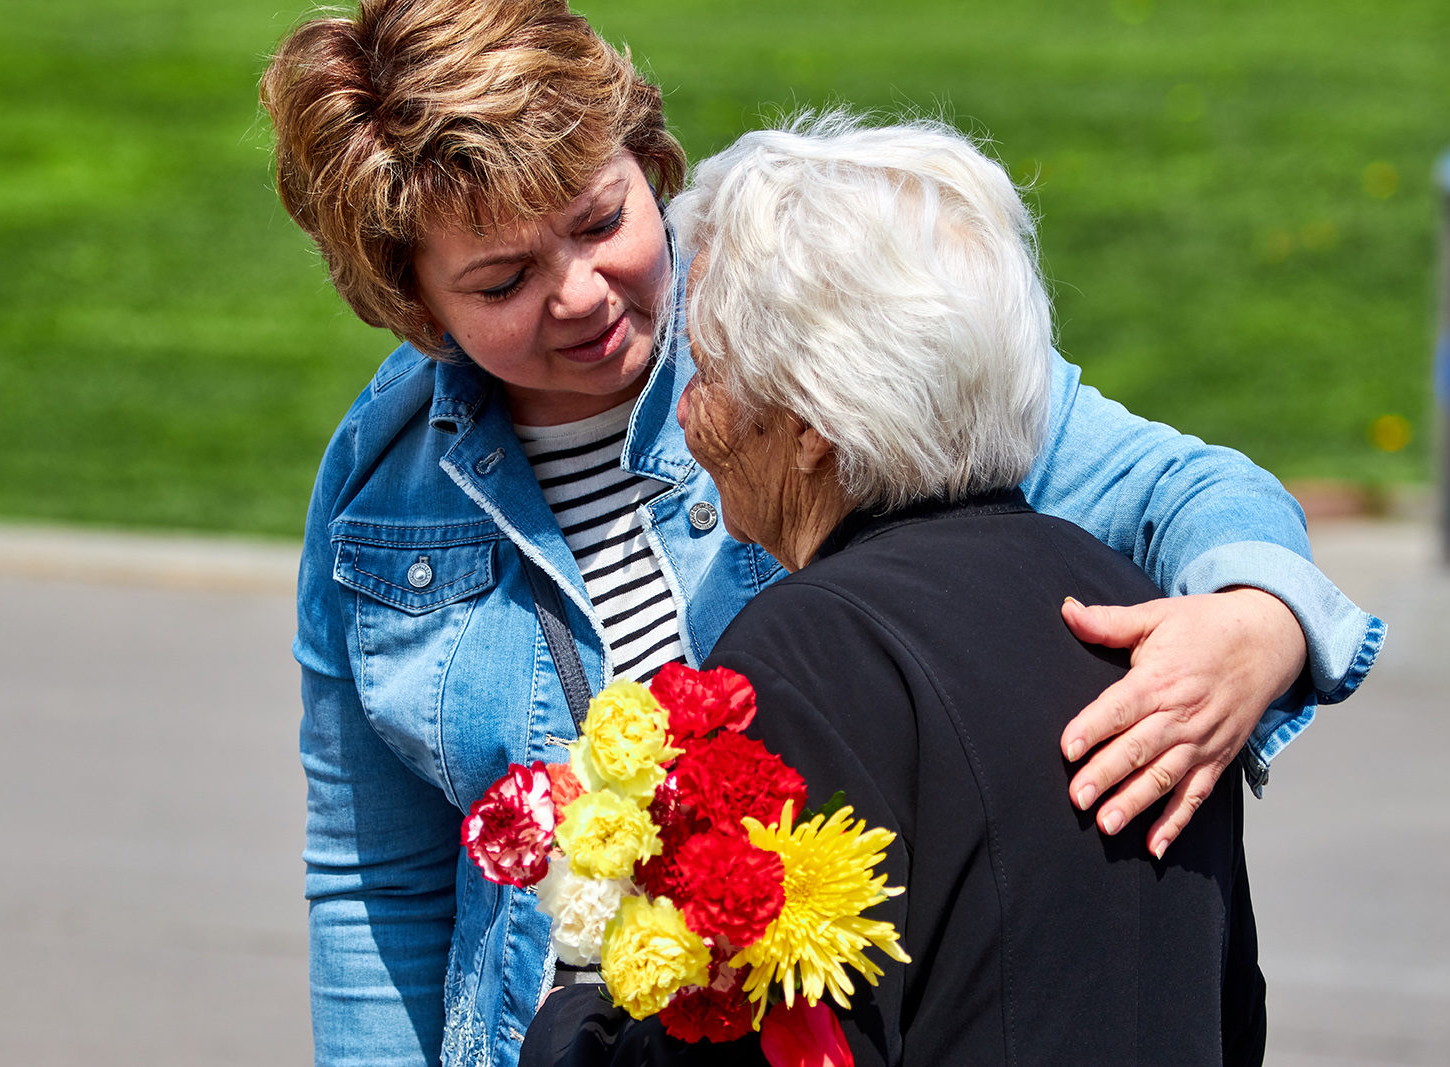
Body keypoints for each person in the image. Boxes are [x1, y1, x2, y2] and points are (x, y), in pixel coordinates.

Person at [257, 1, 1383, 1063]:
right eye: (502, 279)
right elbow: (375, 877)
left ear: (647, 163)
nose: (582, 293)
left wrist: (1259, 613)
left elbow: (1175, 485)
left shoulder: (823, 325)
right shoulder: (380, 487)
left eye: (601, 221)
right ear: (415, 305)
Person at [523, 114, 1269, 1066]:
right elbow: (1224, 1007)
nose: (684, 410)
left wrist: (573, 1019)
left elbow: (781, 1044)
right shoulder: (1138, 617)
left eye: (705, 371)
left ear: (809, 426)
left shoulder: (811, 653)